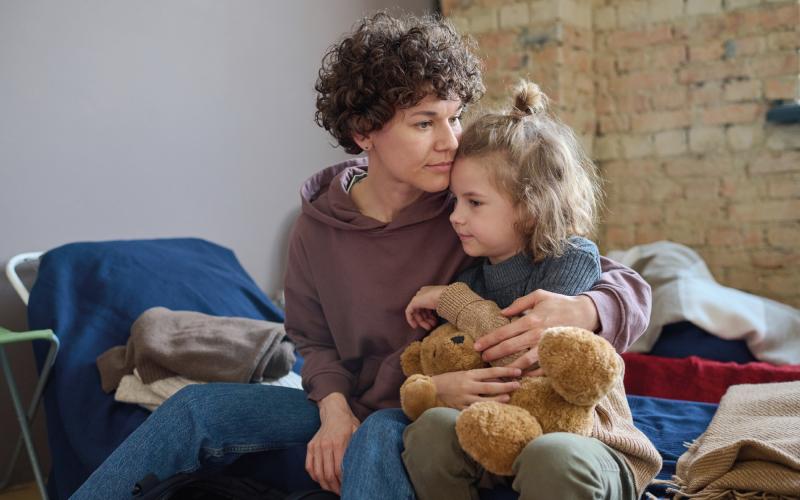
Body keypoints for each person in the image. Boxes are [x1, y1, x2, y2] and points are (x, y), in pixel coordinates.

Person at [71, 13, 652, 500]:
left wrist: (585, 311)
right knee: (195, 408)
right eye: (425, 123)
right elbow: (312, 341)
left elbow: (607, 272)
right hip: (356, 399)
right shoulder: (315, 229)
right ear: (363, 132)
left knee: (378, 435)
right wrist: (331, 409)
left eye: (453, 117)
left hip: (423, 402)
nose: (450, 140)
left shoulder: (466, 208)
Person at [401, 82, 661, 500]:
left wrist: (452, 300)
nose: (456, 217)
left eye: (474, 202)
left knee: (550, 456)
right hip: (499, 435)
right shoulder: (473, 280)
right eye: (455, 201)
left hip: (586, 440)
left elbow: (521, 350)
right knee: (430, 429)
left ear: (530, 206)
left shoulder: (569, 258)